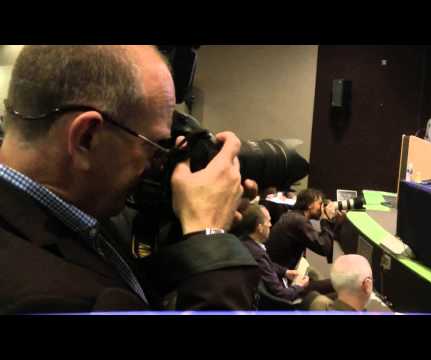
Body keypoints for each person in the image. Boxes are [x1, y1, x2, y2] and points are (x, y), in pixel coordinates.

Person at [0, 45, 259, 313]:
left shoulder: (80, 208)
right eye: (154, 146)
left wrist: (187, 234)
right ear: (86, 139)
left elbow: (127, 287)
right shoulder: (40, 298)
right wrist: (211, 237)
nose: (157, 163)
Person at [237, 204, 332, 310]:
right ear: (259, 228)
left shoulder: (245, 243)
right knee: (332, 290)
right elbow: (282, 295)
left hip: (279, 292)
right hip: (284, 305)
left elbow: (267, 265)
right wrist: (299, 286)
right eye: (268, 221)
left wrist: (285, 272)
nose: (270, 225)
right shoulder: (258, 254)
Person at [266, 188, 343, 271]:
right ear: (309, 205)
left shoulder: (293, 216)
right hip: (279, 274)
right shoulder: (298, 221)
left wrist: (332, 219)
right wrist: (326, 220)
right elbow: (323, 248)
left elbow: (322, 239)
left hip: (277, 268)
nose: (321, 207)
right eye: (320, 203)